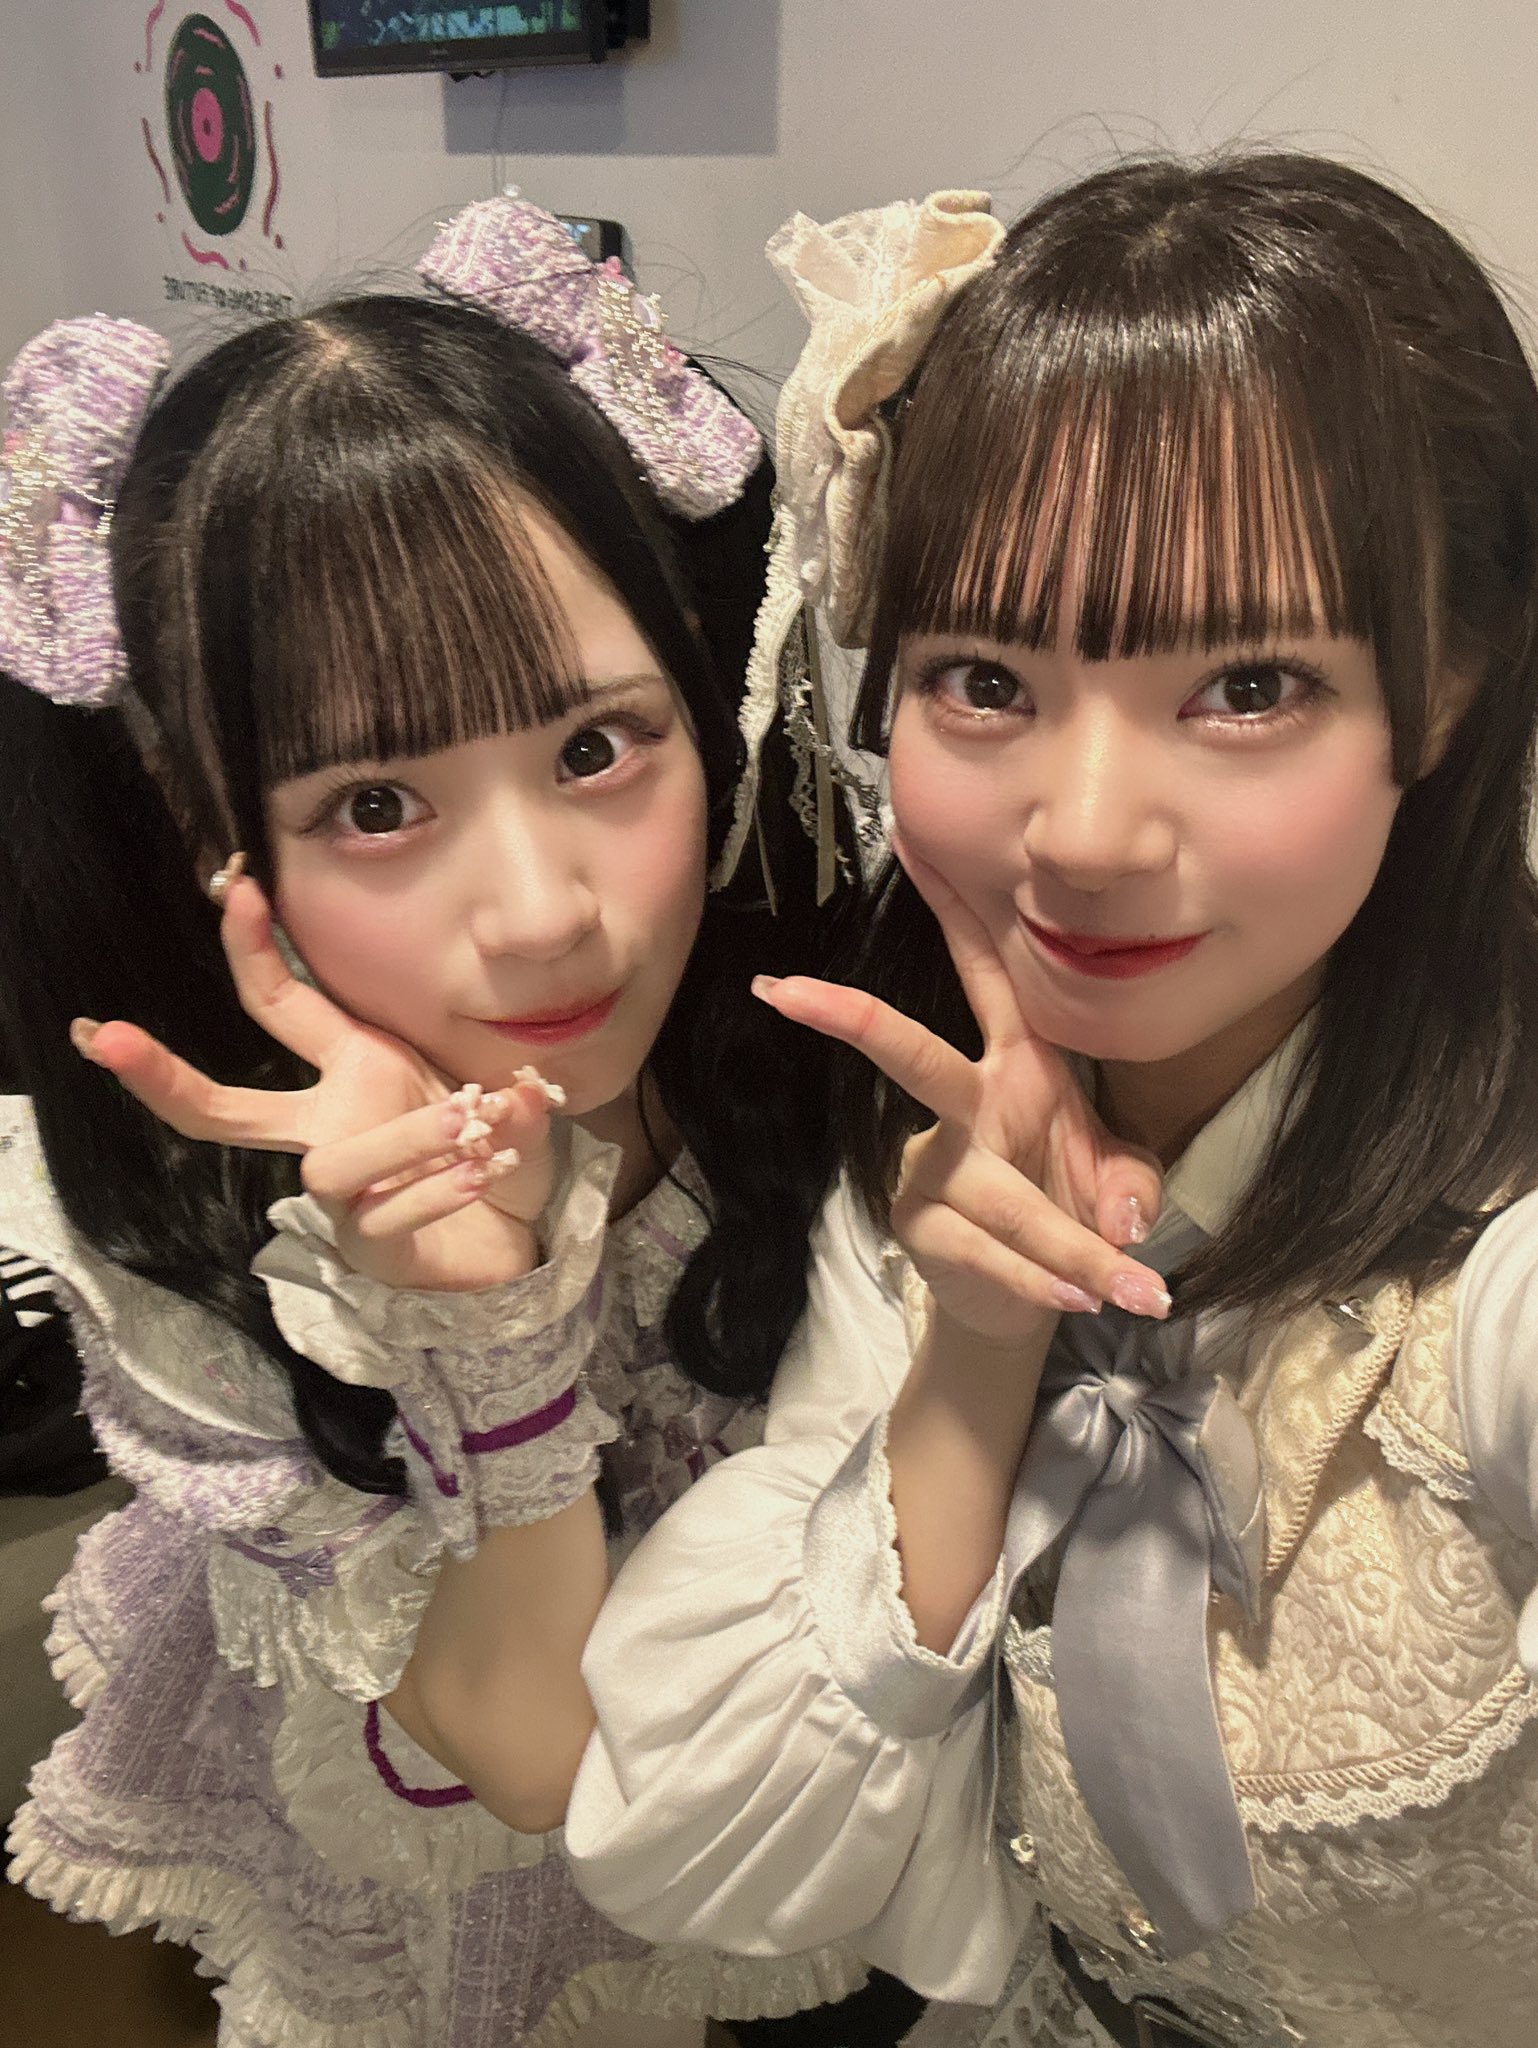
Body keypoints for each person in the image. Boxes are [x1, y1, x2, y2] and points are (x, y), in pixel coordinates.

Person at [563, 158, 1538, 2048]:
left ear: (1440, 688)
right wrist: (978, 1343)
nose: (1082, 834)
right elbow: (696, 1860)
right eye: (984, 679)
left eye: (1245, 683)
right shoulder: (931, 1155)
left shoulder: (1492, 1278)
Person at [0, 195, 875, 2046]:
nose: (545, 916)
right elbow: (535, 1763)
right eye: (375, 805)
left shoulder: (808, 1029)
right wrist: (493, 1338)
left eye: (594, 748)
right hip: (468, 1824)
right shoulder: (200, 1236)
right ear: (201, 826)